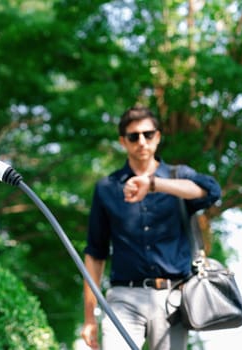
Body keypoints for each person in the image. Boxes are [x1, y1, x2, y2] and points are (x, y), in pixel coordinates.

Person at [80, 106, 221, 350]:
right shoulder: (106, 188)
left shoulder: (179, 176)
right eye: (134, 136)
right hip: (124, 298)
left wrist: (155, 184)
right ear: (123, 141)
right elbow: (95, 254)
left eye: (148, 134)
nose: (141, 141)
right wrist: (89, 318)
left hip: (173, 299)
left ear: (157, 136)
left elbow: (211, 192)